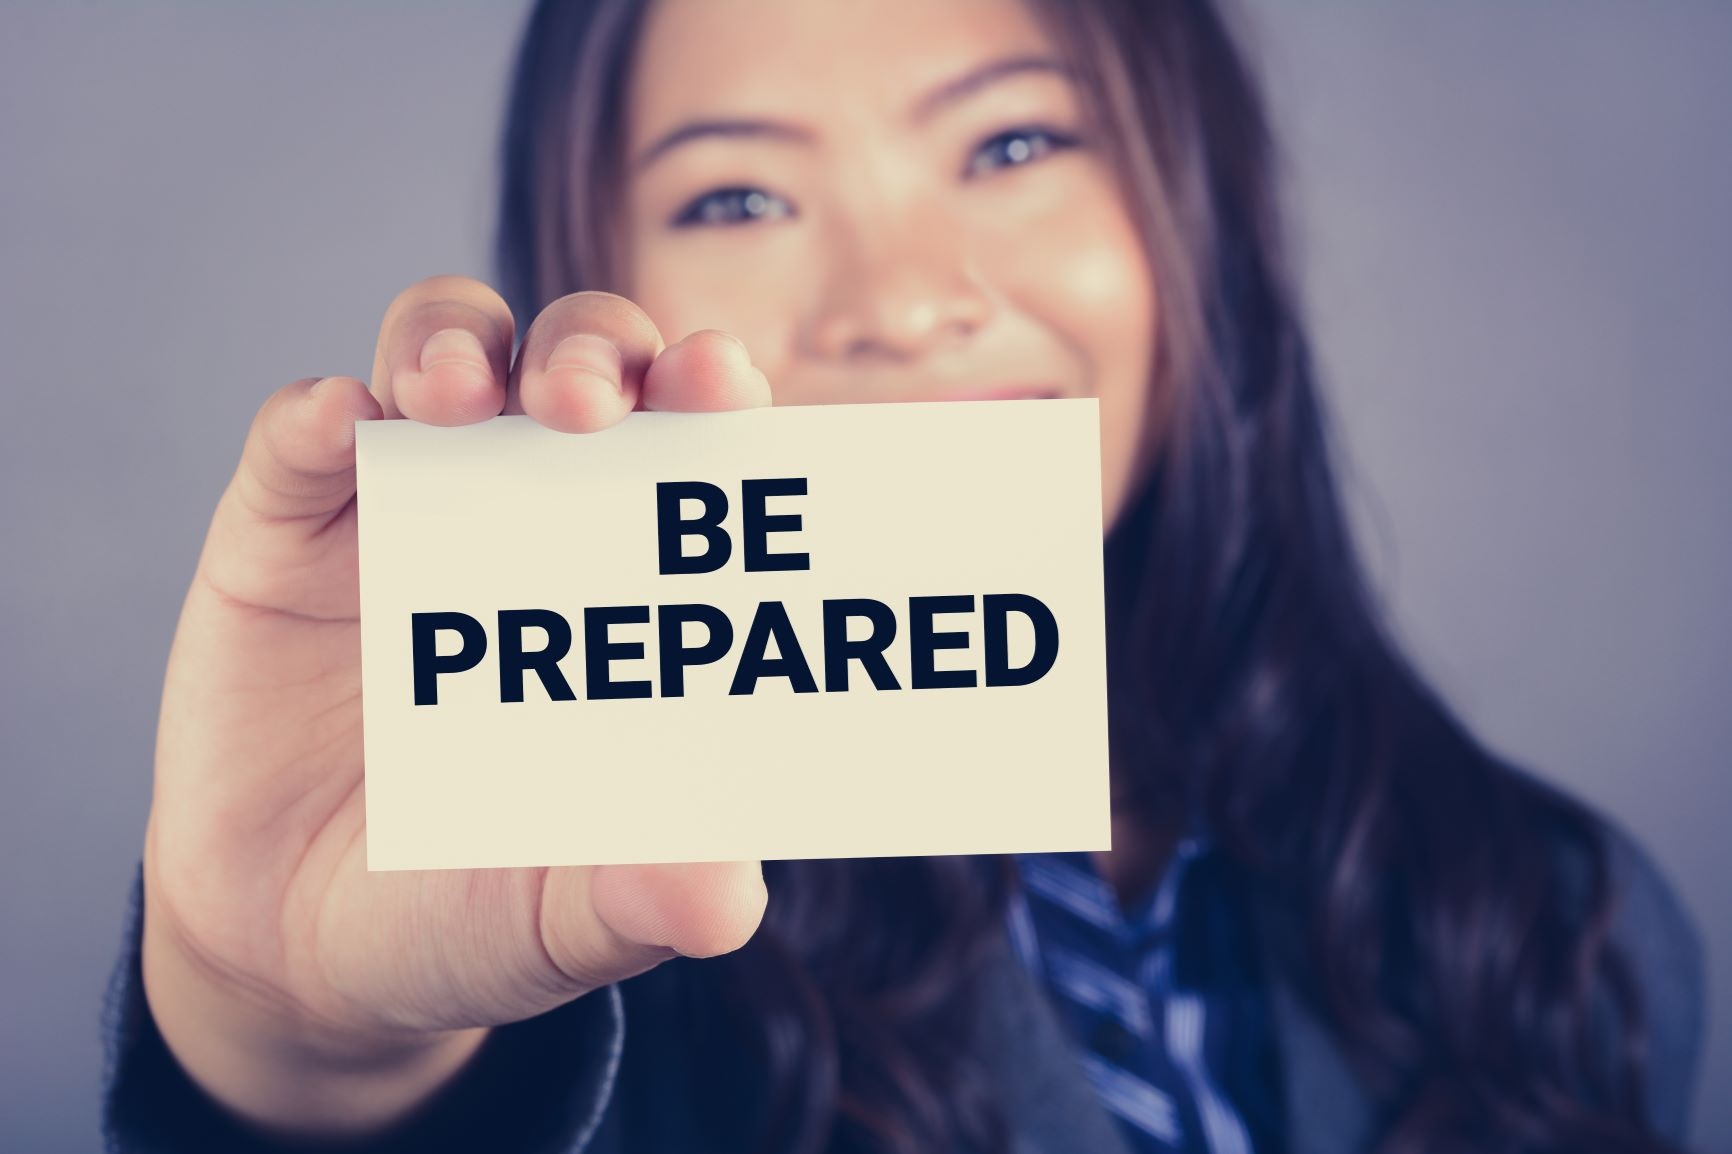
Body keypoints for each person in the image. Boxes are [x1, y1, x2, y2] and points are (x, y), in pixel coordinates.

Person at [101, 0, 1705, 1151]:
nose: (899, 301)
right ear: (597, 269)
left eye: (1012, 142)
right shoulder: (596, 950)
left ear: (1195, 204)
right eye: (737, 195)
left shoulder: (1571, 923)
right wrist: (291, 1042)